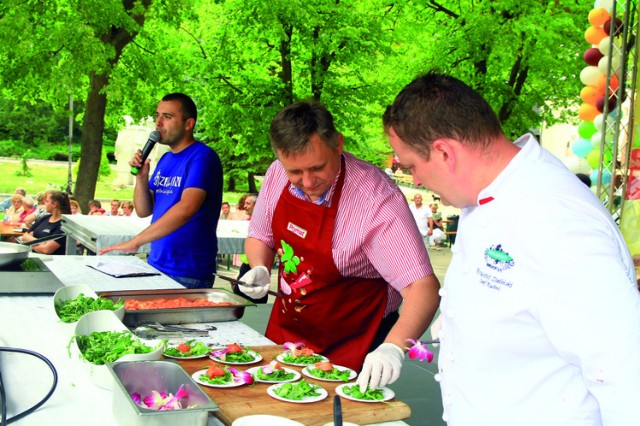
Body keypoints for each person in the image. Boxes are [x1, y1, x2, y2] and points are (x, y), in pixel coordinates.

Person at [383, 71, 640, 425]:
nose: (416, 180)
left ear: (444, 152)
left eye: (412, 166)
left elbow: (627, 379)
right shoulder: (485, 194)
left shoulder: (560, 224)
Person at [237, 101, 440, 390]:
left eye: (317, 168)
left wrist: (393, 347)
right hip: (287, 332)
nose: (307, 181)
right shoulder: (276, 174)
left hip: (352, 343)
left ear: (338, 145)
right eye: (295, 171)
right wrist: (259, 266)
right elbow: (261, 235)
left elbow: (423, 288)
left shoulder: (377, 200)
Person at [99, 93, 223, 289]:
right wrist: (141, 178)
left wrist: (136, 241)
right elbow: (143, 210)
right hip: (157, 262)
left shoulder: (202, 157)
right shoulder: (165, 159)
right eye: (157, 115)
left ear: (188, 123)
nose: (158, 122)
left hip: (188, 271)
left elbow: (186, 208)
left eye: (167, 116)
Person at [20, 191, 70, 255]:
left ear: (55, 204)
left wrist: (31, 242)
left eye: (47, 201)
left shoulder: (63, 225)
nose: (44, 203)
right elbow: (24, 236)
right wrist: (44, 243)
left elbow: (46, 250)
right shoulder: (45, 218)